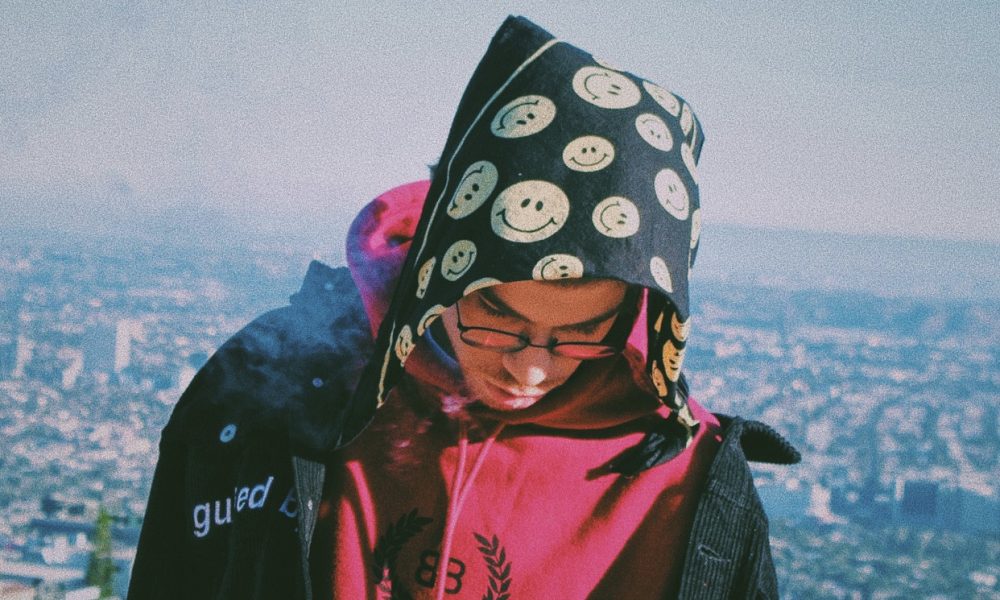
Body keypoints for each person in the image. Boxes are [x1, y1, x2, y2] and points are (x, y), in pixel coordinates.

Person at [128, 15, 799, 600]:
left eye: (582, 332)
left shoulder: (687, 481)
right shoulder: (284, 384)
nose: (529, 369)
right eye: (499, 320)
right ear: (440, 269)